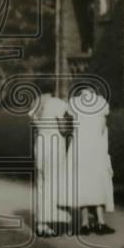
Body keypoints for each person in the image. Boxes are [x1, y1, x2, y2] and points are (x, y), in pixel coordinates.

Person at [64, 83, 115, 235]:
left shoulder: (74, 103)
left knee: (82, 183)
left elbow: (71, 126)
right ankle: (100, 222)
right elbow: (102, 129)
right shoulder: (101, 104)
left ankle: (85, 223)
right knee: (97, 183)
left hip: (79, 149)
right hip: (96, 149)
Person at [30, 78, 72, 237]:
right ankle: (47, 223)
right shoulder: (57, 103)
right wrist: (70, 126)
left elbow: (36, 127)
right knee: (51, 185)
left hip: (40, 145)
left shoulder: (35, 104)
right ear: (52, 88)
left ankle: (41, 223)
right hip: (54, 146)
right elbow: (63, 129)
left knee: (41, 185)